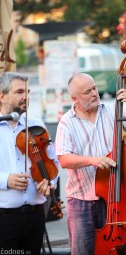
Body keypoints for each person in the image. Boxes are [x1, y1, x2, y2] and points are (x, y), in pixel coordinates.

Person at [55, 73, 126, 255]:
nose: (95, 93)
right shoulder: (67, 122)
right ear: (75, 98)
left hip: (114, 199)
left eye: (94, 88)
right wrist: (93, 160)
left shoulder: (113, 111)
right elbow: (64, 159)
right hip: (81, 200)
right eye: (88, 92)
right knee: (82, 251)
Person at [0, 72, 59, 254]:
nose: (25, 96)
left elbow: (52, 163)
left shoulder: (36, 125)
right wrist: (5, 180)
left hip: (35, 215)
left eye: (27, 91)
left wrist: (49, 183)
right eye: (19, 92)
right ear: (2, 96)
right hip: (4, 219)